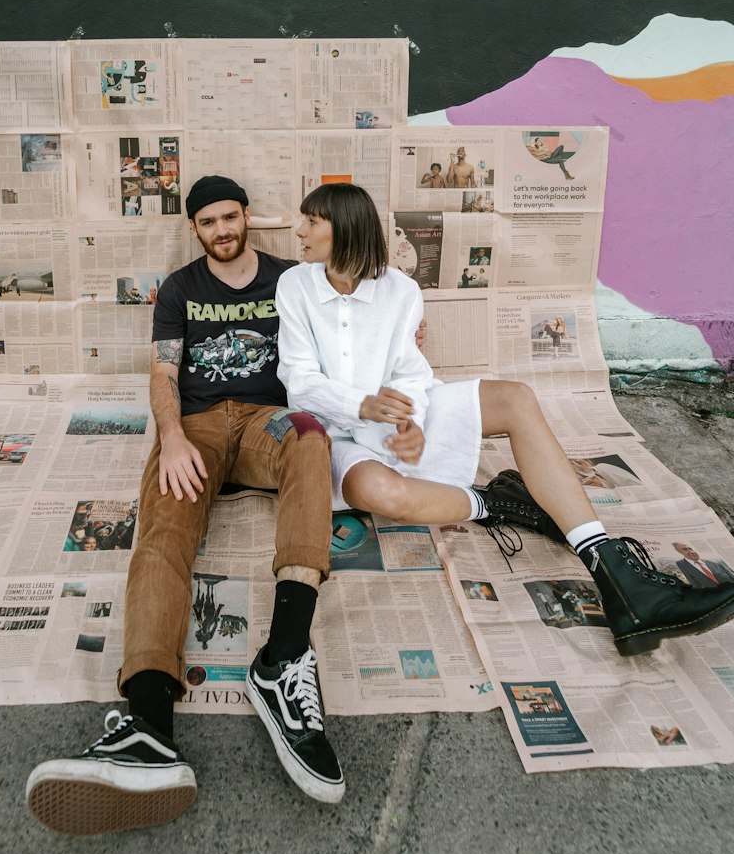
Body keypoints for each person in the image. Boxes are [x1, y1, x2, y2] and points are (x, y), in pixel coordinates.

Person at [274, 183, 734, 662]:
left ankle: (615, 573)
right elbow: (299, 381)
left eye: (311, 221)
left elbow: (409, 371)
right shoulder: (295, 286)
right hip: (339, 428)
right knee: (382, 495)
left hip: (398, 412)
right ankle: (497, 502)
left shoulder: (401, 290)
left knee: (516, 397)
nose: (298, 229)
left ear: (345, 229)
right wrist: (364, 408)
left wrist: (408, 421)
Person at [26, 176, 343, 836]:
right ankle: (148, 727)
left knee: (312, 435)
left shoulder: (291, 277)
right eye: (209, 223)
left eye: (232, 217)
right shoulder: (179, 289)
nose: (223, 230)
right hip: (195, 428)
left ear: (248, 216)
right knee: (163, 535)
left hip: (267, 423)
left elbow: (351, 308)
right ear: (195, 229)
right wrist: (170, 438)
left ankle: (283, 658)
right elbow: (163, 372)